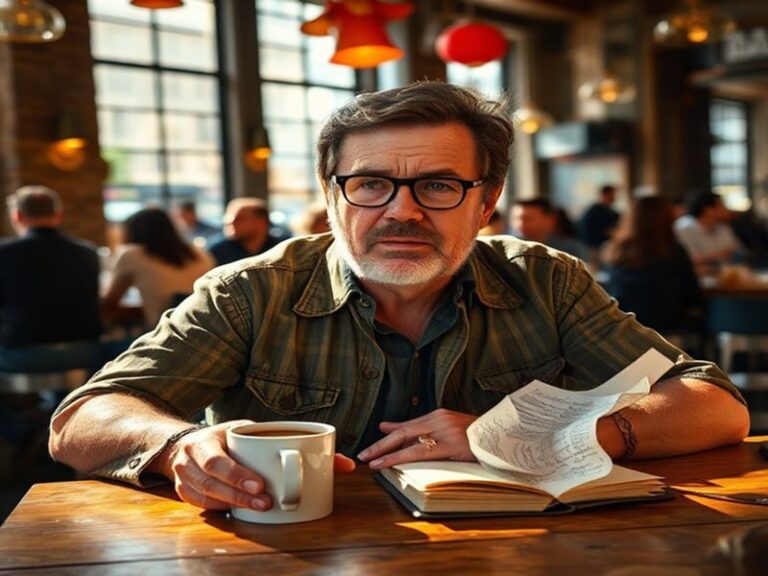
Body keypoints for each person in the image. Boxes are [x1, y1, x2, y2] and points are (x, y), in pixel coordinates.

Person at [49, 82, 748, 516]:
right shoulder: (250, 291)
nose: (401, 212)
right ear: (332, 196)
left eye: (438, 186)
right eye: (370, 184)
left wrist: (535, 438)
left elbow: (715, 405)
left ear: (486, 203)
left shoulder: (545, 280)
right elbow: (82, 418)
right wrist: (179, 445)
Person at [0, 185, 101, 372]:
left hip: (23, 356)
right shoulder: (88, 252)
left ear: (17, 216)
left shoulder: (4, 253)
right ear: (59, 215)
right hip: (86, 352)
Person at [601, 196, 703, 334]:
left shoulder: (615, 250)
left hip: (625, 323)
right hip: (667, 323)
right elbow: (692, 291)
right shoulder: (672, 250)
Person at [102, 207, 215, 328]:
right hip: (205, 330)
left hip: (164, 332)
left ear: (131, 232)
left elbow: (109, 303)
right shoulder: (200, 254)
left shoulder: (132, 254)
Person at [674, 191, 743, 274]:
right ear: (707, 210)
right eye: (721, 206)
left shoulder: (722, 227)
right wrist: (719, 255)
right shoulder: (684, 227)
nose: (726, 209)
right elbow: (687, 260)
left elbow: (736, 250)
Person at [509, 197, 588, 260]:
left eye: (528, 219)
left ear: (550, 220)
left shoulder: (569, 249)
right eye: (516, 218)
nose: (520, 224)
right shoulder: (507, 249)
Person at [208, 198, 281, 265]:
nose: (230, 222)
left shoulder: (280, 249)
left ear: (261, 222)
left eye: (240, 219)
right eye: (228, 218)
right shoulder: (216, 252)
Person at [578, 184, 620, 251]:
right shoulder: (593, 212)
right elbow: (587, 231)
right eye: (612, 194)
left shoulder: (613, 213)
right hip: (595, 247)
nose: (614, 197)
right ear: (604, 195)